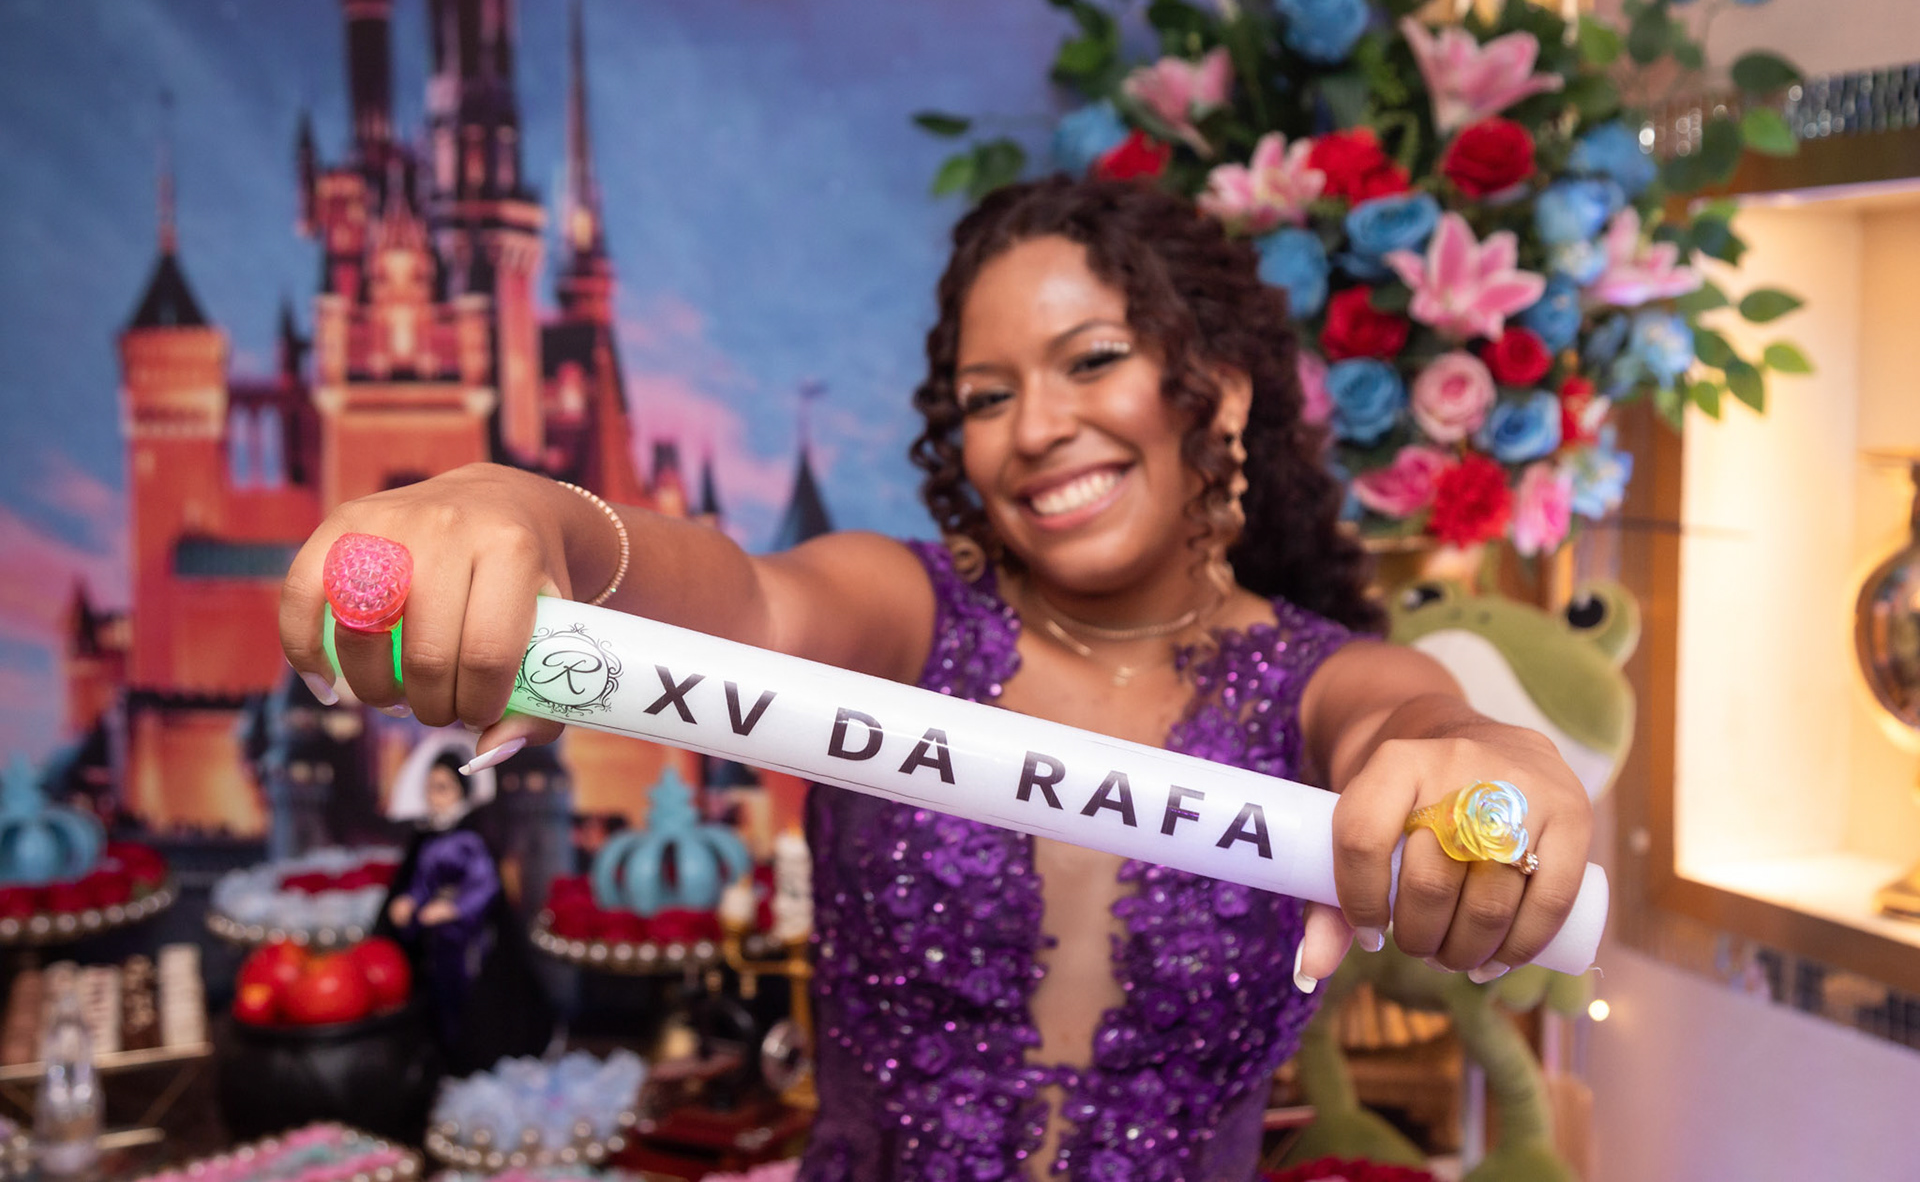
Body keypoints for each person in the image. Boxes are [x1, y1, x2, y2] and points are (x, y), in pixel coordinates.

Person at [282, 177, 1590, 1181]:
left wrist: (1485, 772)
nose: (1036, 428)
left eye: (1091, 360)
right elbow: (740, 598)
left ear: (1224, 395)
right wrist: (531, 513)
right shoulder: (907, 614)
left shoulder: (1321, 682)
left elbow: (1418, 724)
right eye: (985, 396)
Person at [376, 743, 555, 1076]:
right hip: (437, 940)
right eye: (431, 787)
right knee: (437, 995)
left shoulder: (470, 838)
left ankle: (470, 1057)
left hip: (467, 938)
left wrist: (453, 908)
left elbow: (483, 885)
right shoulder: (428, 836)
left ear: (461, 790)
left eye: (442, 787)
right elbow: (421, 879)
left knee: (470, 997)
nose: (434, 796)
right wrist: (409, 900)